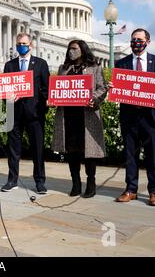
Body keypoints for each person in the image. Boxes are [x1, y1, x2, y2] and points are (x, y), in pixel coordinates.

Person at [111, 28, 155, 206]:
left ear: (147, 41)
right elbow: (120, 86)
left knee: (152, 156)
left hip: (150, 117)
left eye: (139, 40)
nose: (135, 43)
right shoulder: (122, 63)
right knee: (130, 155)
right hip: (130, 117)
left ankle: (154, 192)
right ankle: (131, 190)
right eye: (133, 40)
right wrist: (113, 87)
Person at [51, 40, 107, 198]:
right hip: (68, 116)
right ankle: (75, 183)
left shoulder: (94, 68)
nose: (71, 51)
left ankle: (91, 182)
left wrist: (93, 98)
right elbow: (57, 88)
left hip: (86, 115)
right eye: (69, 49)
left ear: (83, 50)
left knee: (89, 152)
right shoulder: (64, 68)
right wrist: (53, 98)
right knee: (72, 151)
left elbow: (102, 87)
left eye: (74, 48)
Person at [1, 32, 50, 194]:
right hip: (14, 113)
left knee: (37, 150)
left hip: (34, 114)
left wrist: (44, 104)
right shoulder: (10, 65)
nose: (20, 46)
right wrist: (7, 98)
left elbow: (46, 89)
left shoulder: (41, 64)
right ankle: (12, 180)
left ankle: (40, 182)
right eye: (18, 43)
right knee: (13, 150)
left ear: (31, 45)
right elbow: (3, 89)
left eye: (23, 43)